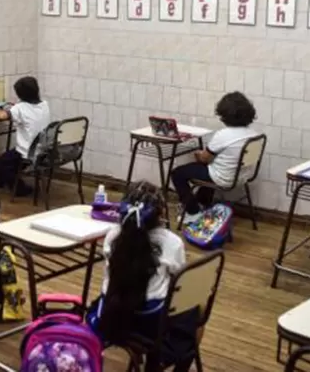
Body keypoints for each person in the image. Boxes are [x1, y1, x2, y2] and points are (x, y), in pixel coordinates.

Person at [85, 181, 198, 370]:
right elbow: (179, 280)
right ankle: (165, 363)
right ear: (161, 214)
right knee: (196, 313)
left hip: (114, 315)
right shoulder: (172, 243)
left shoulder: (112, 236)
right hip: (150, 321)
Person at [170, 91, 258, 224]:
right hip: (243, 176)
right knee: (208, 168)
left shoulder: (223, 135)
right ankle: (202, 203)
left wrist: (198, 154)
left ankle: (193, 212)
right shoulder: (253, 134)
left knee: (178, 173)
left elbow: (204, 159)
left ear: (225, 115)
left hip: (224, 177)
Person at [0, 76, 50, 197]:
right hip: (43, 149)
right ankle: (3, 181)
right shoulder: (45, 105)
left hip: (27, 152)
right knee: (8, 161)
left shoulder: (19, 108)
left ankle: (20, 189)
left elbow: (2, 116)